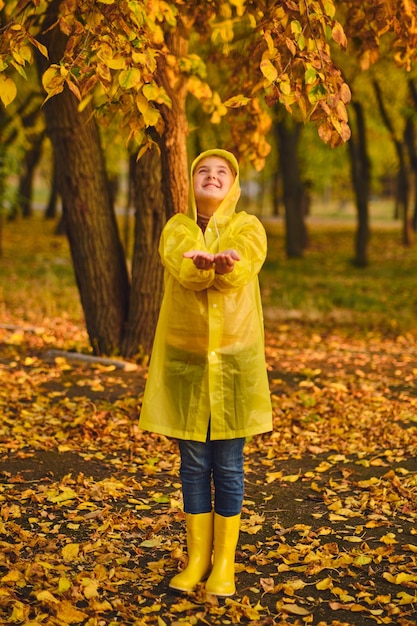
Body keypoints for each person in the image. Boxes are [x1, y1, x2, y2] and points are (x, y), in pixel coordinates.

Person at [139, 148, 272, 597]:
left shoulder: (247, 227)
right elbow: (182, 265)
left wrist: (225, 266)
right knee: (193, 464)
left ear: (233, 184)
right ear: (191, 180)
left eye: (221, 172)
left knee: (229, 465)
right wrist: (200, 267)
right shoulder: (177, 227)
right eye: (203, 171)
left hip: (235, 366)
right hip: (187, 364)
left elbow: (244, 265)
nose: (212, 177)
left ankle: (224, 564)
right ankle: (196, 558)